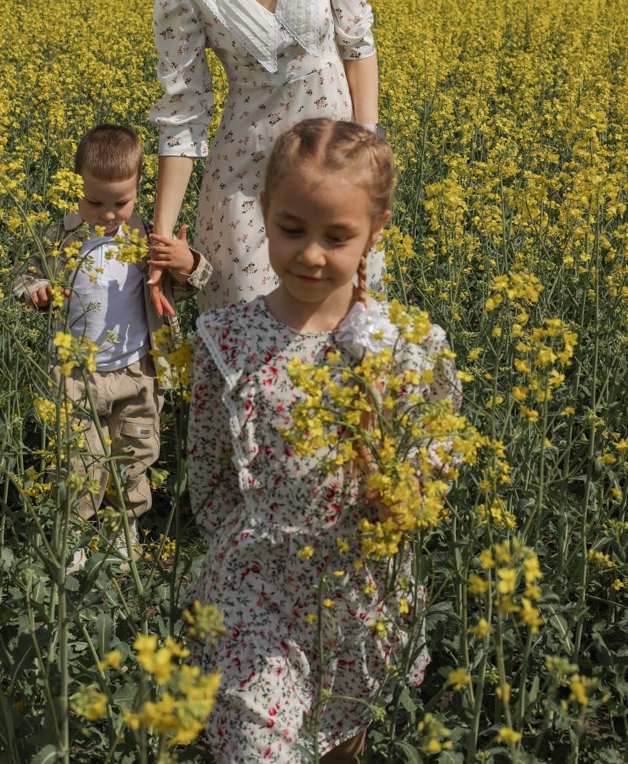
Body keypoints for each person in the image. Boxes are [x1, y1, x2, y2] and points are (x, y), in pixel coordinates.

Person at [186, 119, 462, 762]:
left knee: (341, 738)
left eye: (337, 237)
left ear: (376, 230)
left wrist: (411, 491)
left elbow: (438, 446)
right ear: (263, 212)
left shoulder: (405, 346)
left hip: (358, 593)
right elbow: (207, 467)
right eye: (291, 229)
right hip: (253, 594)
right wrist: (232, 556)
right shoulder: (225, 339)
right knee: (258, 748)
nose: (311, 255)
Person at [118, 0, 381, 314]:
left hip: (340, 172)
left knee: (341, 326)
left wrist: (371, 147)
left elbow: (357, 45)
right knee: (250, 329)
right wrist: (162, 239)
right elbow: (183, 116)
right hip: (244, 186)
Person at [13, 123, 211, 567]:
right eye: (94, 202)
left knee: (134, 455)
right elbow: (25, 278)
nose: (106, 215)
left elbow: (188, 286)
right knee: (78, 460)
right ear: (76, 188)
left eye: (120, 203)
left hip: (137, 371)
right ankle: (75, 534)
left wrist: (187, 261)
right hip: (74, 375)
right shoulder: (62, 237)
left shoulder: (146, 237)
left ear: (139, 189)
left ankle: (124, 525)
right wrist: (37, 291)